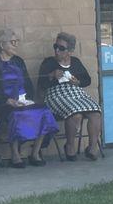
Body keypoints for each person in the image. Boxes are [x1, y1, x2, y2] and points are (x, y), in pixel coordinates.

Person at [0, 29, 59, 168]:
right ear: (2, 45)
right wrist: (6, 100)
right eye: (13, 42)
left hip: (22, 101)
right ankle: (15, 154)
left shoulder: (18, 61)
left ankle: (35, 153)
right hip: (1, 104)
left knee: (44, 111)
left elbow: (28, 84)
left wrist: (27, 99)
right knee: (16, 114)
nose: (16, 45)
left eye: (17, 42)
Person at [38, 32, 102, 161]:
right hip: (56, 94)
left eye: (61, 48)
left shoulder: (76, 62)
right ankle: (70, 146)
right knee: (75, 113)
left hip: (76, 93)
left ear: (70, 51)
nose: (57, 50)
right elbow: (41, 84)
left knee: (96, 112)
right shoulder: (49, 62)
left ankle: (92, 147)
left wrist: (77, 82)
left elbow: (87, 80)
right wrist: (51, 75)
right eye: (55, 46)